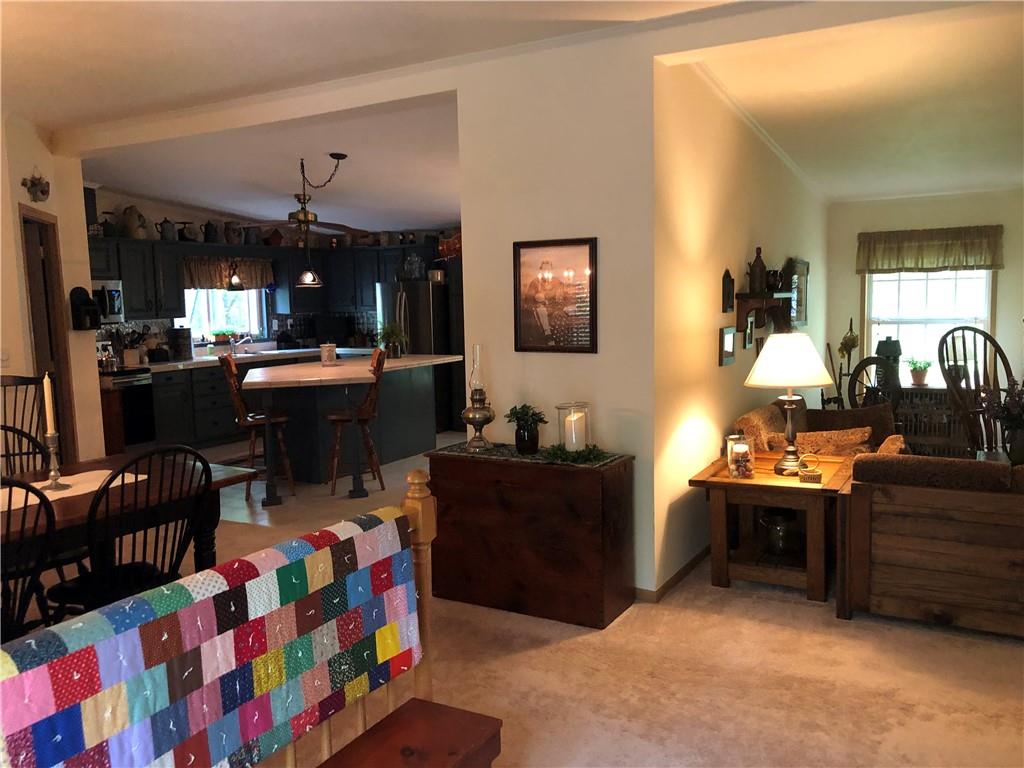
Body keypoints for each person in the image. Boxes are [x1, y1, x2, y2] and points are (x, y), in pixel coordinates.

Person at [522, 260, 572, 346]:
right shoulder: (535, 282)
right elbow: (528, 300)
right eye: (544, 270)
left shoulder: (557, 282)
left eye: (549, 270)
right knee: (541, 310)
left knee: (561, 315)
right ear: (541, 270)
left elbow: (565, 297)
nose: (546, 272)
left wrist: (563, 305)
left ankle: (563, 341)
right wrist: (536, 301)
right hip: (540, 309)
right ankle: (547, 335)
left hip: (555, 308)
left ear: (552, 270)